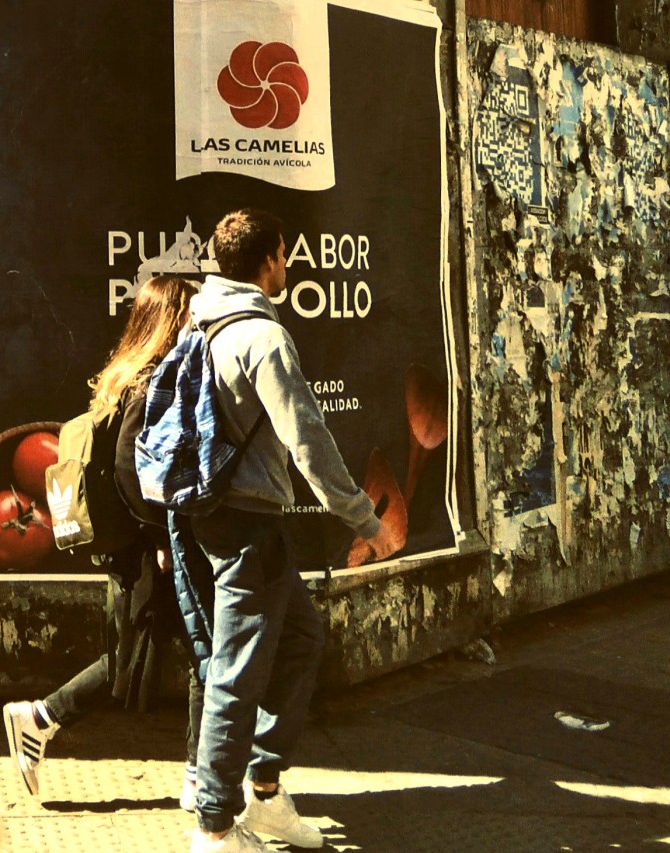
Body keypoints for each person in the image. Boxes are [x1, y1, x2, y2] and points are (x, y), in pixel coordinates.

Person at [179, 209, 399, 853]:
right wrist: (366, 520)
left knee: (301, 636)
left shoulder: (200, 321)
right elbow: (308, 440)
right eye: (283, 256)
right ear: (269, 259)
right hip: (246, 518)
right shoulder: (261, 338)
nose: (287, 266)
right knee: (236, 669)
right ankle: (216, 827)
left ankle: (266, 792)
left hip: (211, 512)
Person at [2, 274, 206, 803]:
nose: (199, 324)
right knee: (203, 654)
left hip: (128, 545)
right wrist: (160, 534)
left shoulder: (124, 376)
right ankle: (202, 775)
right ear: (171, 318)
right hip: (146, 546)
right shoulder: (152, 380)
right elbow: (128, 469)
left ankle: (39, 718)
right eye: (191, 313)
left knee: (134, 657)